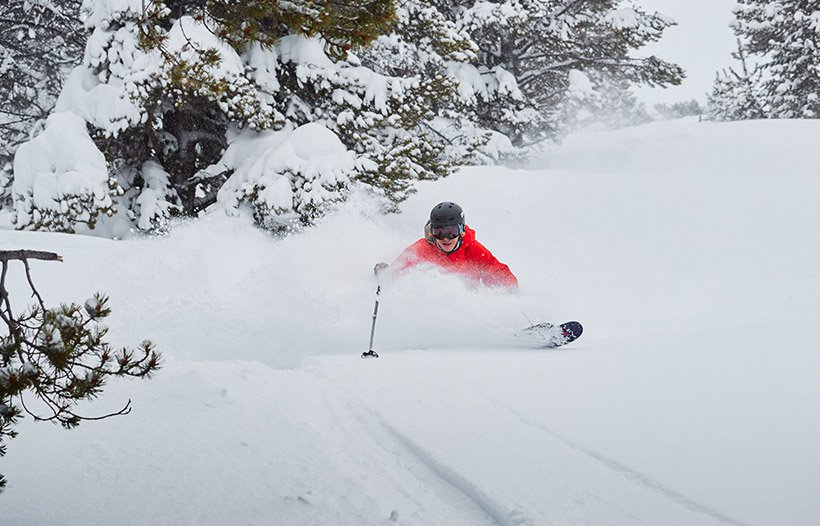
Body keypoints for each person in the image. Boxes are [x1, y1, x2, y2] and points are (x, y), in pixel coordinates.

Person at [374, 202, 518, 288]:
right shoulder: (421, 249)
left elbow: (500, 273)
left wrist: (507, 292)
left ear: (461, 231)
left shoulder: (472, 249)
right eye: (439, 232)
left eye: (452, 232)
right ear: (431, 232)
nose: (446, 238)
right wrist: (383, 273)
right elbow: (396, 270)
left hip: (469, 309)